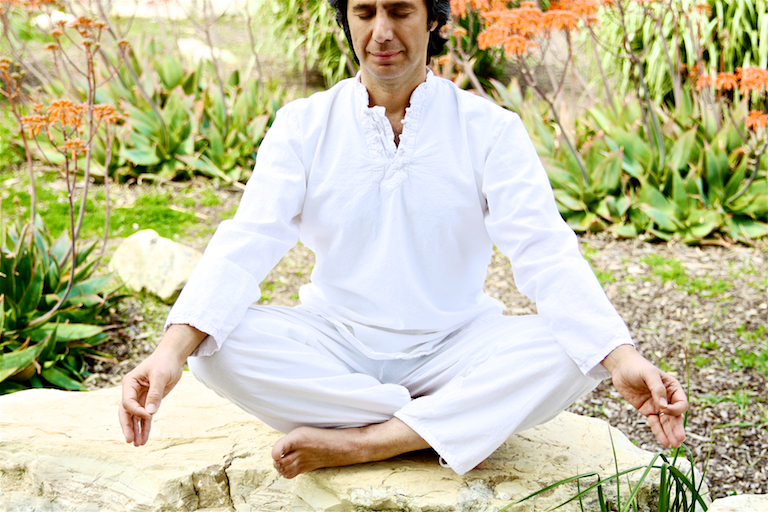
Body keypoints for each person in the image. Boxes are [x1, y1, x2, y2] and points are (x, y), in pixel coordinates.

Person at [119, 0, 689, 479]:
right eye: (365, 12)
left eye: (399, 11)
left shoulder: (490, 129)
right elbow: (248, 240)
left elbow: (544, 249)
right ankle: (439, 423)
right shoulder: (303, 124)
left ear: (433, 19)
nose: (382, 32)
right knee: (213, 351)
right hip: (334, 342)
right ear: (346, 19)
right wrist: (168, 353)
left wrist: (621, 357)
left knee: (572, 351)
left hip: (455, 347)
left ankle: (370, 440)